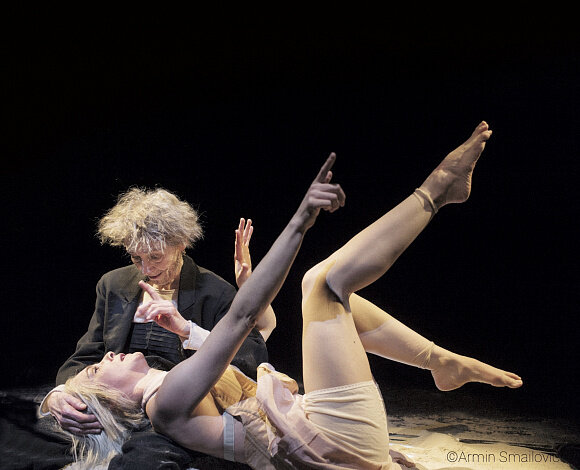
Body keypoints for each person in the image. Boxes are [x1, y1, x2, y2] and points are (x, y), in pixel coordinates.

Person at [62, 122, 523, 469]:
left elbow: (253, 339)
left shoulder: (179, 363)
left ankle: (439, 361)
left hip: (311, 426)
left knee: (323, 288)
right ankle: (437, 190)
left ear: (180, 245)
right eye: (101, 370)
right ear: (112, 398)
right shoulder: (163, 401)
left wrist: (198, 325)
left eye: (154, 256)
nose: (107, 358)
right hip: (325, 441)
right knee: (322, 284)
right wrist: (300, 220)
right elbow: (242, 319)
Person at [39, 188, 274, 467]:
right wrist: (59, 395)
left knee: (148, 452)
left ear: (181, 243)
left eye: (155, 256)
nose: (146, 269)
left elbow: (252, 356)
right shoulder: (113, 284)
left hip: (173, 412)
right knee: (35, 443)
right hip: (116, 406)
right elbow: (86, 356)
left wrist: (188, 330)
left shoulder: (215, 292)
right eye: (136, 258)